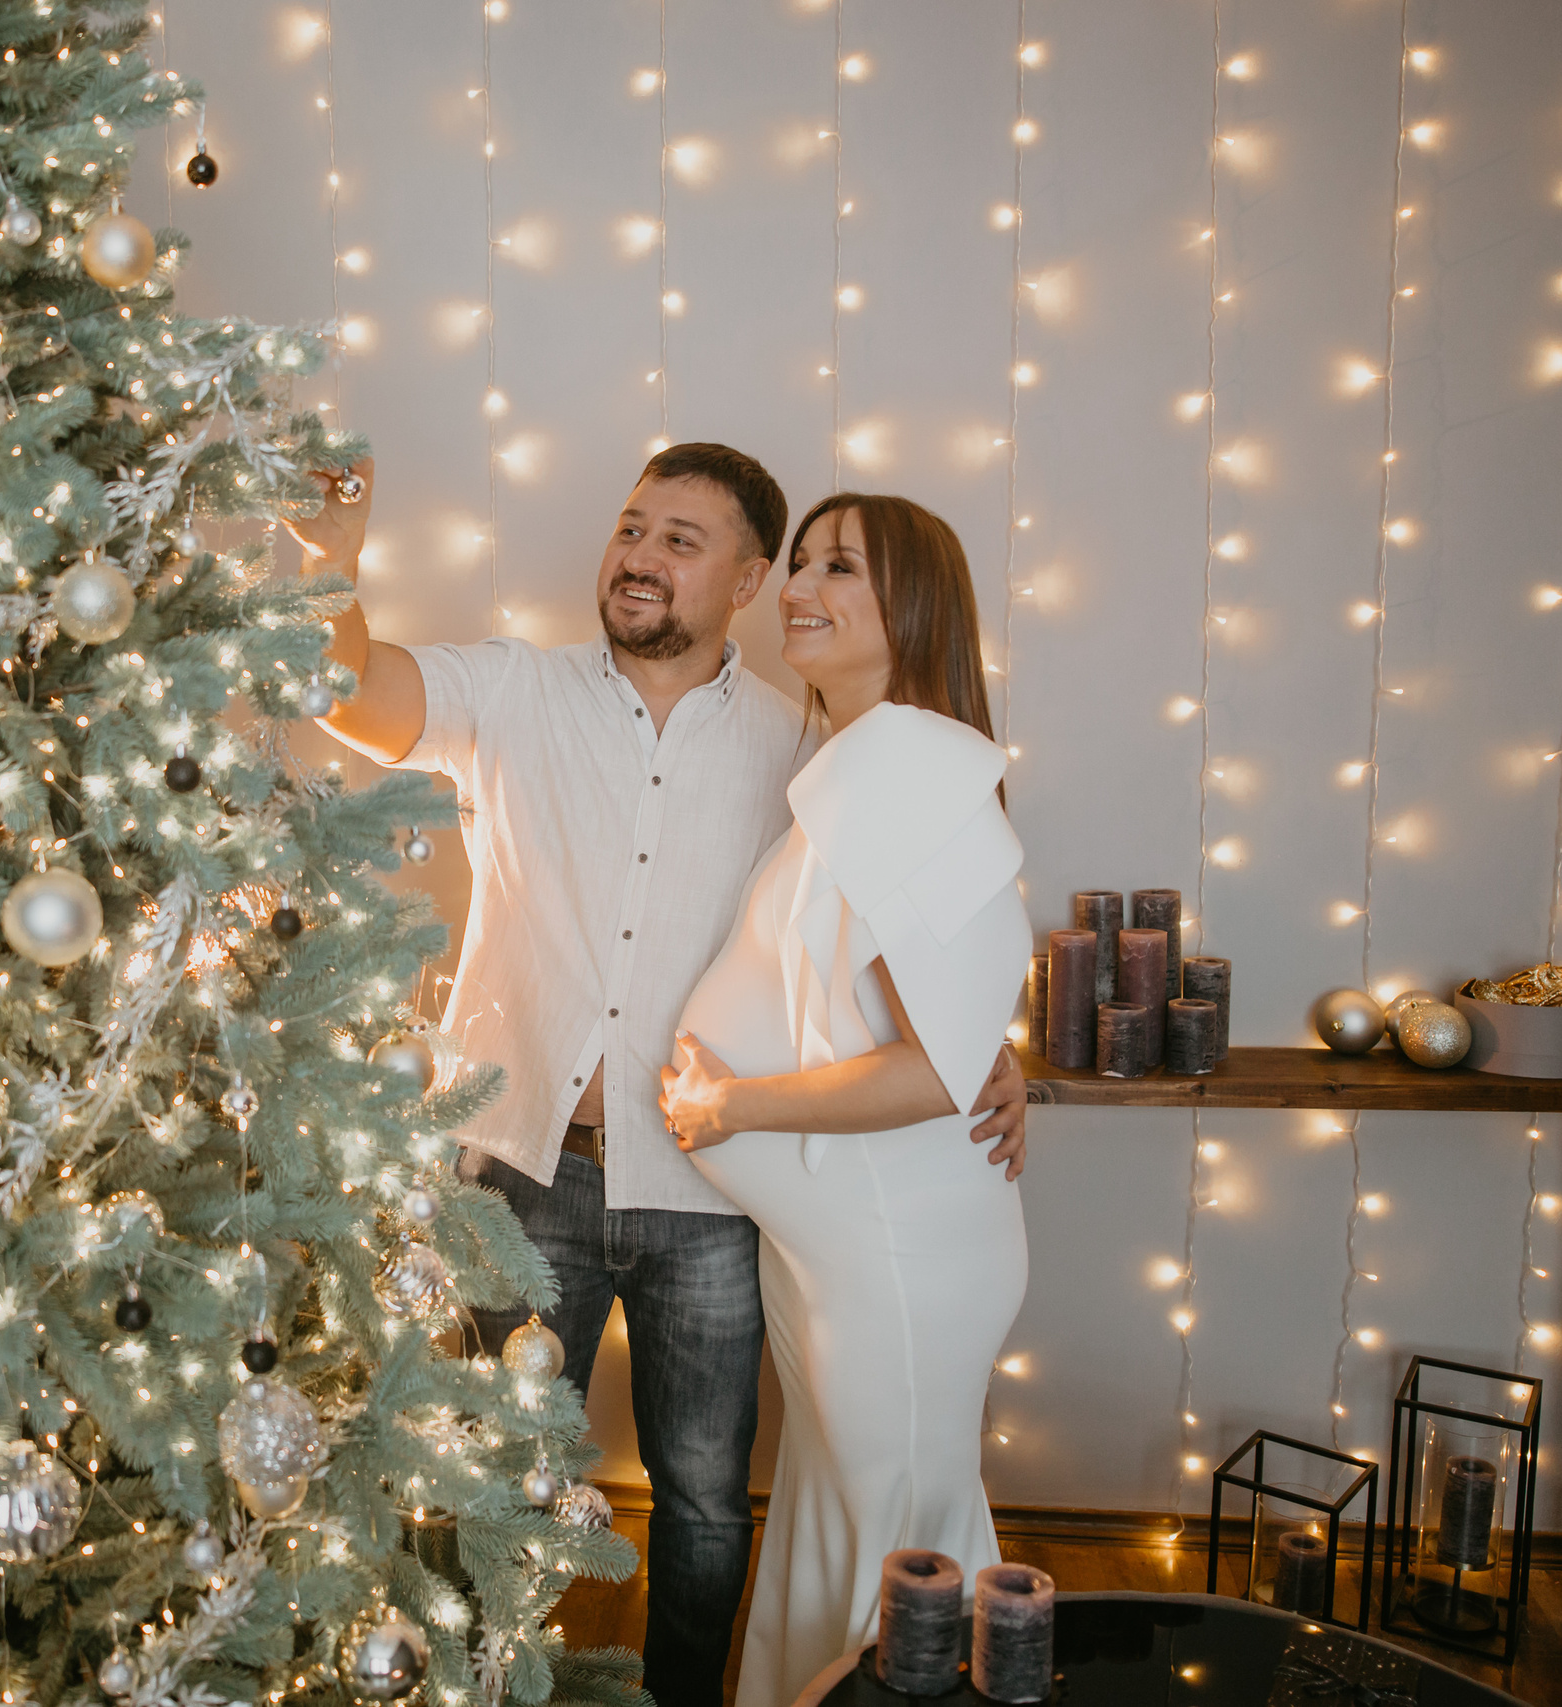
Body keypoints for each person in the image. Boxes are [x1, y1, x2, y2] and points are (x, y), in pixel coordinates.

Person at [286, 450, 1027, 1707]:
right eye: (632, 526)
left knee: (699, 1511)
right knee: (485, 1486)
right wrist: (328, 547)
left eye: (683, 539)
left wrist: (981, 1044)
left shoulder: (814, 744)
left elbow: (892, 918)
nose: (639, 552)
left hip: (715, 1199)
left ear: (746, 581)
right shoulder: (516, 691)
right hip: (530, 1174)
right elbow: (344, 690)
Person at [658, 492, 1032, 1707]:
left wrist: (735, 1109)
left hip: (899, 1258)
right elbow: (932, 1017)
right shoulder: (859, 765)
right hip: (837, 1253)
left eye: (842, 569)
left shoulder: (914, 770)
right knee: (844, 1539)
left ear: (911, 605)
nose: (801, 590)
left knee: (895, 1567)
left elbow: (935, 1066)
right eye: (801, 563)